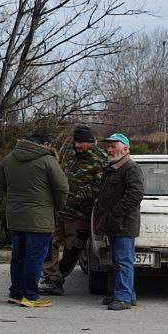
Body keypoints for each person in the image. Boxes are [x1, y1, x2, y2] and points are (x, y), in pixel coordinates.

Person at [0, 128, 68, 308]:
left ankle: (16, 293)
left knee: (18, 255)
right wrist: (58, 207)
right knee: (34, 257)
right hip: (39, 218)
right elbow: (62, 187)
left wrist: (14, 203)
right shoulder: (48, 160)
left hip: (15, 217)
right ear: (46, 144)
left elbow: (1, 185)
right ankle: (31, 296)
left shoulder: (9, 159)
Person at [40, 125, 108, 296]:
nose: (78, 145)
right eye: (76, 142)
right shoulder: (71, 157)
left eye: (82, 142)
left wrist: (78, 196)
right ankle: (50, 277)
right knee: (49, 244)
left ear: (91, 142)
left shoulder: (100, 160)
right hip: (60, 212)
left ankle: (57, 279)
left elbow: (102, 187)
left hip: (79, 215)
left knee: (72, 250)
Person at [95, 133, 144, 311]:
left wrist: (116, 213)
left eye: (113, 146)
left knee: (123, 261)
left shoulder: (131, 168)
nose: (109, 150)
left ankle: (123, 297)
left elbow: (135, 194)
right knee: (117, 260)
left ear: (125, 149)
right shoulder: (112, 168)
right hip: (113, 223)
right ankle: (126, 294)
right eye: (108, 146)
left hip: (123, 223)